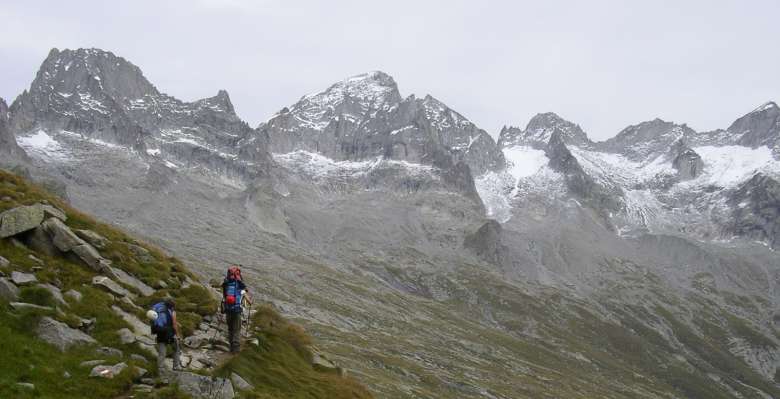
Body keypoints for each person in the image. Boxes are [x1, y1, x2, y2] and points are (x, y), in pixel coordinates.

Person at [222, 265, 250, 353]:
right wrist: (249, 301)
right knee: (236, 330)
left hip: (228, 309)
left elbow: (224, 295)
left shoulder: (226, 283)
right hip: (237, 310)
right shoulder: (239, 284)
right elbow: (245, 294)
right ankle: (236, 350)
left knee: (230, 329)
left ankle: (231, 347)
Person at [148, 299, 182, 372]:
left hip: (160, 333)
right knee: (176, 349)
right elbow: (174, 324)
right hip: (170, 334)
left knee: (162, 352)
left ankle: (160, 368)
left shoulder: (158, 309)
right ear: (172, 307)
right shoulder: (172, 311)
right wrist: (178, 335)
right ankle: (176, 366)